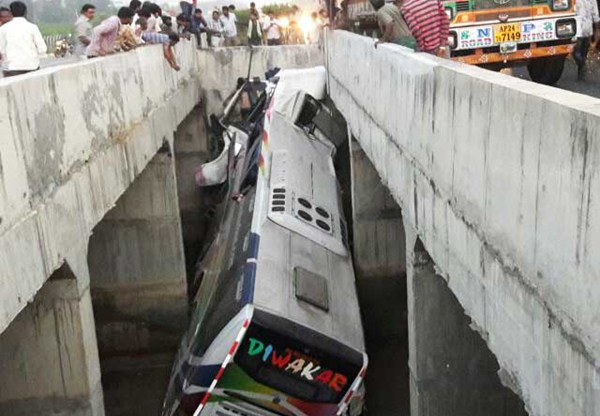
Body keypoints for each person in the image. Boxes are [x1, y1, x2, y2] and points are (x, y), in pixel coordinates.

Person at [0, 1, 46, 77]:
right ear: (25, 12)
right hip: (32, 66)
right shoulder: (33, 27)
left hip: (11, 68)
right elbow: (42, 49)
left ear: (11, 13)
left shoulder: (3, 29)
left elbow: (1, 50)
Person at [574, 0, 600, 80]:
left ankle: (581, 74)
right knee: (575, 52)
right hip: (576, 31)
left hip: (587, 30)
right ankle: (582, 65)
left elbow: (596, 17)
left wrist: (597, 31)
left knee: (583, 53)